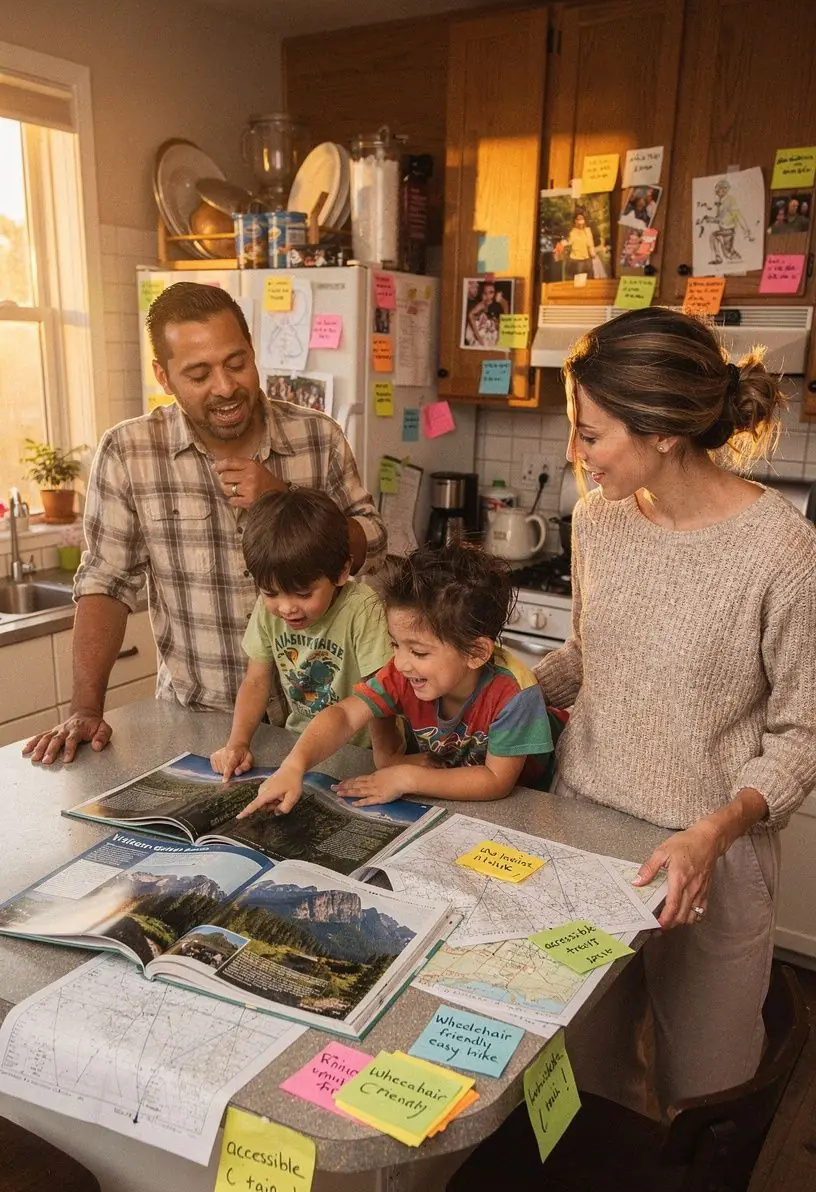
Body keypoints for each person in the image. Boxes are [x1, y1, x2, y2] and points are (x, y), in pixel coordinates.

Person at [534, 305, 816, 1121]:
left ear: (660, 432)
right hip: (587, 837)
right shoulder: (598, 519)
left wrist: (715, 831)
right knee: (589, 1085)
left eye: (591, 434)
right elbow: (590, 656)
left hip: (711, 861)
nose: (575, 452)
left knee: (705, 1091)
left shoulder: (782, 551)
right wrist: (494, 691)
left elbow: (801, 735)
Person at [23, 283, 386, 765]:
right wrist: (86, 709)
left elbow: (374, 544)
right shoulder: (130, 452)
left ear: (253, 351)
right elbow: (106, 583)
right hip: (200, 726)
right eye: (198, 374)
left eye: (237, 363)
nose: (225, 387)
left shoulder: (318, 435)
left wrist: (284, 499)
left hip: (324, 727)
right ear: (164, 376)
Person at [236, 543, 558, 817]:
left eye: (418, 652)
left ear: (475, 653)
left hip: (531, 804)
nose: (401, 663)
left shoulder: (514, 693)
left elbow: (496, 781)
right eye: (395, 644)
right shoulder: (405, 672)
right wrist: (294, 766)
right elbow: (345, 715)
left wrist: (406, 778)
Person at [209, 487, 393, 780]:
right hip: (299, 747)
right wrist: (238, 743)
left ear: (342, 571)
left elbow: (382, 694)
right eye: (270, 593)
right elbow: (255, 681)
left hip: (361, 754)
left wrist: (387, 764)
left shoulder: (362, 608)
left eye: (304, 594)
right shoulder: (266, 611)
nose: (286, 608)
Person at [566, 210, 596, 277]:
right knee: (580, 278)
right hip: (577, 260)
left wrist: (593, 253)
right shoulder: (573, 232)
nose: (580, 220)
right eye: (578, 219)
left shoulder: (587, 230)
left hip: (587, 259)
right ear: (575, 221)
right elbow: (568, 243)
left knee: (590, 278)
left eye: (582, 218)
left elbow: (590, 243)